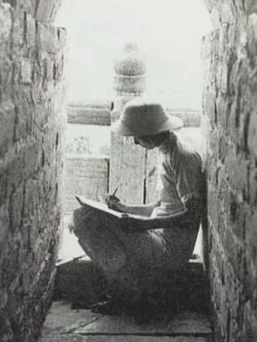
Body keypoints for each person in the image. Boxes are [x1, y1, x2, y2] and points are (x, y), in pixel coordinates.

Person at [70, 98, 207, 317]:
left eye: (137, 135)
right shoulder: (166, 150)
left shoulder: (183, 156)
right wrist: (124, 207)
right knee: (83, 216)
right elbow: (161, 205)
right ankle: (128, 291)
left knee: (85, 221)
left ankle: (126, 294)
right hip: (158, 235)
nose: (135, 142)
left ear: (150, 132)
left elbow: (192, 216)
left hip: (171, 249)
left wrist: (144, 225)